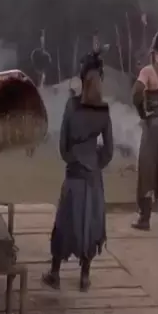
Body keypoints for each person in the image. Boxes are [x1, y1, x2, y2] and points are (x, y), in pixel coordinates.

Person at [42, 51, 113, 292]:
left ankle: (55, 273)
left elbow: (63, 147)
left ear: (83, 80)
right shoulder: (104, 111)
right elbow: (109, 151)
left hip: (74, 175)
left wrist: (76, 160)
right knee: (91, 223)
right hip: (93, 178)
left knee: (65, 222)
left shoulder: (72, 106)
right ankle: (84, 277)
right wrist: (94, 161)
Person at [131, 30, 158, 230]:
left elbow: (137, 95)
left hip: (153, 126)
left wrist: (143, 114)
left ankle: (144, 217)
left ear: (154, 48)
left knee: (147, 169)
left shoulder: (147, 71)